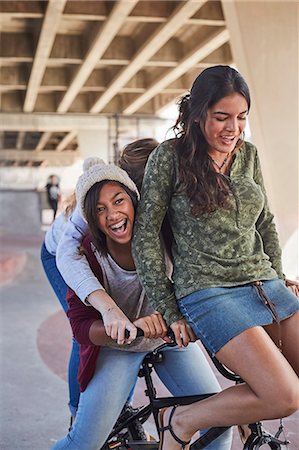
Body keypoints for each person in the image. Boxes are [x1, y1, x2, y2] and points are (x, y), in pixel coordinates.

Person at [132, 65, 299, 448]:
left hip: (264, 283)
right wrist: (169, 310)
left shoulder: (249, 155)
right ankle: (180, 421)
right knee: (285, 396)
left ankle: (243, 416)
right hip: (208, 292)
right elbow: (146, 236)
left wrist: (281, 275)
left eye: (241, 117)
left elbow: (266, 222)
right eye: (222, 117)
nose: (233, 128)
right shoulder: (169, 157)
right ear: (197, 115)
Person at [52, 152, 232, 449]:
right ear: (91, 218)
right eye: (100, 209)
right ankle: (79, 411)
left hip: (166, 343)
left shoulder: (166, 233)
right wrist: (121, 323)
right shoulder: (86, 253)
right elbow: (80, 326)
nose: (112, 214)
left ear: (136, 199)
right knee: (84, 443)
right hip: (118, 347)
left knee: (219, 423)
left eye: (119, 201)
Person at [40, 193, 80, 423]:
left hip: (76, 252)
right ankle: (77, 415)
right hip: (56, 254)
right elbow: (70, 258)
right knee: (84, 330)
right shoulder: (83, 214)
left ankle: (123, 410)